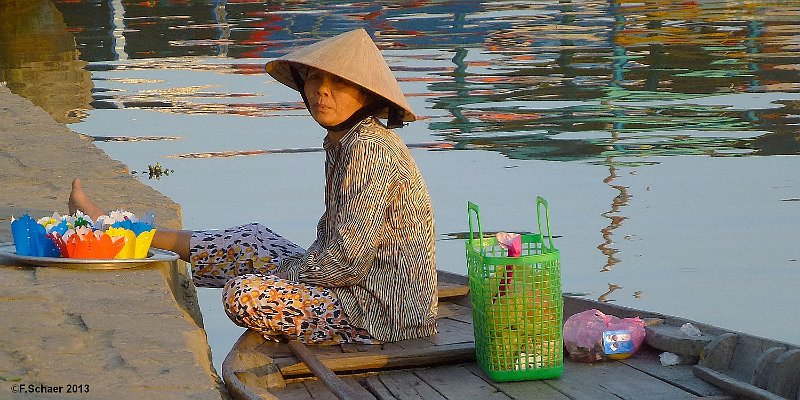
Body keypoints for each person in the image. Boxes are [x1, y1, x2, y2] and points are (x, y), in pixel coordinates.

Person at [69, 29, 438, 344]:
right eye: (313, 79)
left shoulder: (368, 149)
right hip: (346, 285)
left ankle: (118, 234)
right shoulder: (344, 141)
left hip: (380, 316)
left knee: (242, 294)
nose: (322, 92)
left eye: (339, 83)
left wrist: (274, 277)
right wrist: (282, 270)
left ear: (367, 95)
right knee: (251, 239)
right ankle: (121, 233)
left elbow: (344, 263)